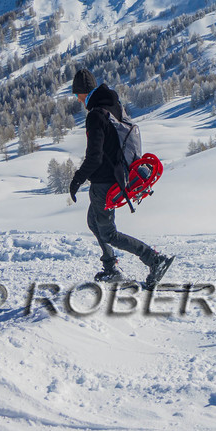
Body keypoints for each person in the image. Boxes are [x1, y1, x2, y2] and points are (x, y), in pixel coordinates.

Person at [64, 68, 174, 286]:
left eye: (77, 94)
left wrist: (77, 179)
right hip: (118, 177)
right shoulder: (113, 107)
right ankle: (110, 266)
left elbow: (94, 157)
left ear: (84, 92)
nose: (77, 99)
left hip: (104, 183)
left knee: (109, 233)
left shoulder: (95, 115)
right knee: (93, 222)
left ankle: (154, 260)